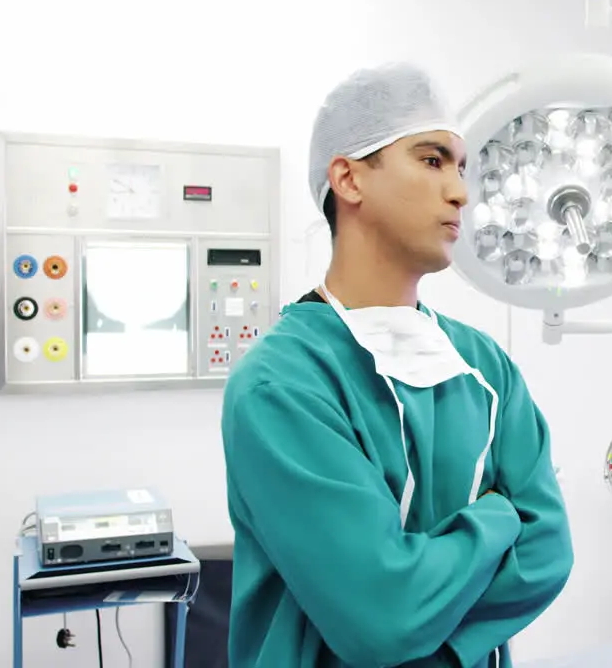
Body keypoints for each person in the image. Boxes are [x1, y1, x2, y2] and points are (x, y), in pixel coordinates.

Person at [221, 63, 574, 668]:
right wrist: (496, 516)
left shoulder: (486, 369)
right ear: (349, 179)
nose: (462, 192)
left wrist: (421, 588)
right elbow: (383, 615)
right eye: (433, 161)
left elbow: (548, 552)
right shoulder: (281, 385)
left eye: (462, 168)